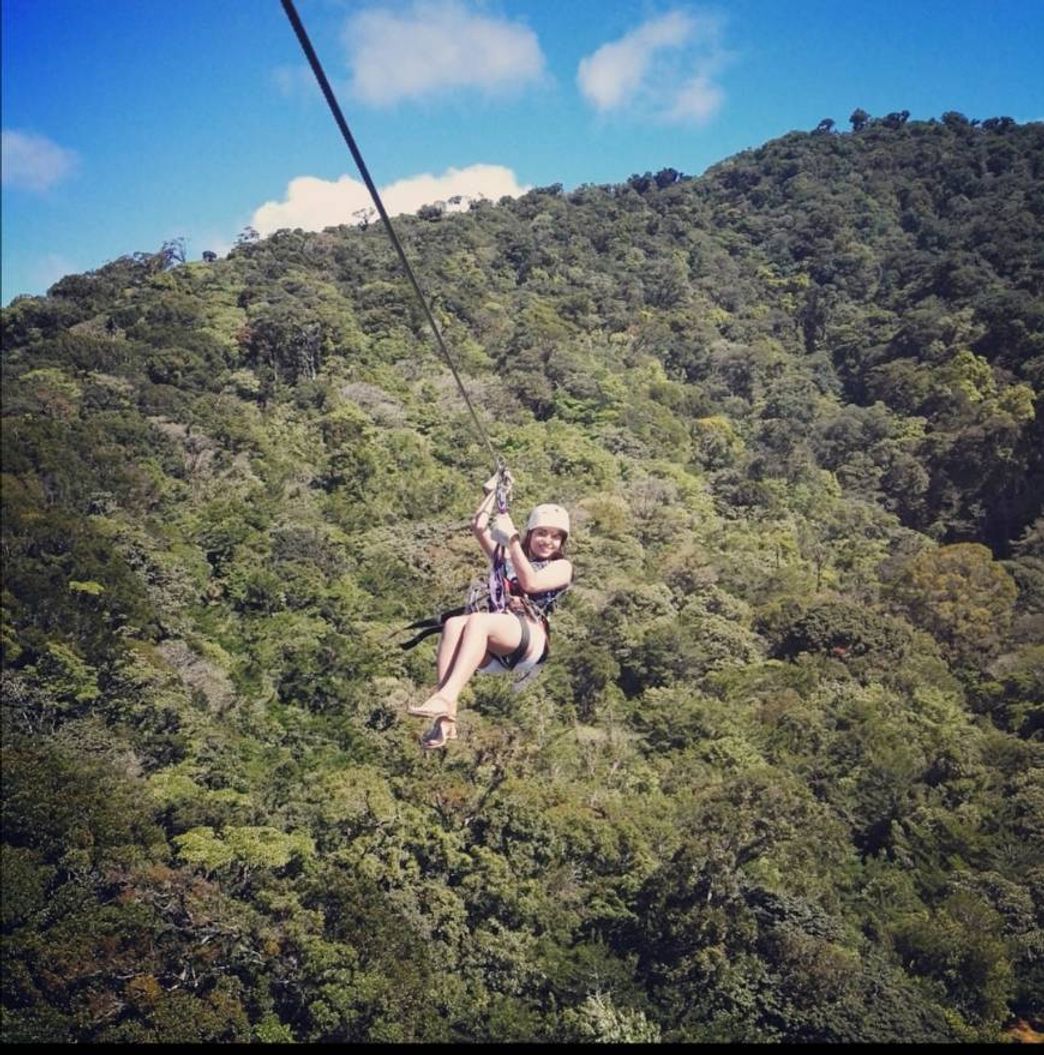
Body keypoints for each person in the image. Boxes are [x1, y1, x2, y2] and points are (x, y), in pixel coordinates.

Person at [408, 474, 573, 749]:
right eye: (542, 533)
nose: (548, 541)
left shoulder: (562, 567)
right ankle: (445, 720)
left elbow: (531, 583)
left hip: (528, 637)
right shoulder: (510, 556)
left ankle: (446, 696)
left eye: (556, 537)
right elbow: (479, 525)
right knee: (453, 624)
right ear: (531, 534)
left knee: (478, 621)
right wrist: (492, 492)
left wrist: (512, 541)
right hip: (496, 642)